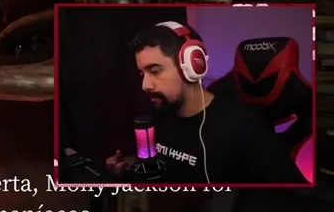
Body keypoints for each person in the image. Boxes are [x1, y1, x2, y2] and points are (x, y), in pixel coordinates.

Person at [104, 21, 307, 185]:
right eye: (142, 74)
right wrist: (131, 164)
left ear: (192, 66)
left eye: (155, 71)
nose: (145, 85)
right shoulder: (159, 113)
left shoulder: (243, 129)